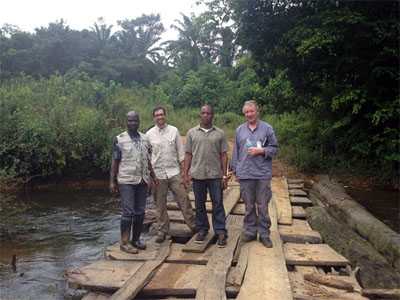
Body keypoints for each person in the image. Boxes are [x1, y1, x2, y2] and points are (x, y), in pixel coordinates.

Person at [230, 100, 278, 248]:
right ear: (244, 114)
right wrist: (235, 170)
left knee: (262, 205)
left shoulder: (267, 129)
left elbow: (275, 148)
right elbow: (236, 152)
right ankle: (250, 232)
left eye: (251, 111)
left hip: (262, 173)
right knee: (249, 206)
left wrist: (262, 150)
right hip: (245, 173)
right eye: (246, 112)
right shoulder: (239, 130)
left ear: (257, 111)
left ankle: (264, 234)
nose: (249, 114)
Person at [110, 111, 158, 254]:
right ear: (126, 122)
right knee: (128, 212)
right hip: (126, 181)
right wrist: (112, 182)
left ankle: (135, 240)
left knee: (140, 212)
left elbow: (147, 160)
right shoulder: (120, 139)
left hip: (142, 180)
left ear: (139, 122)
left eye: (135, 121)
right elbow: (114, 162)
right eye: (130, 121)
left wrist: (153, 177)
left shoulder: (145, 139)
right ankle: (124, 243)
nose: (133, 123)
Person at [146, 106, 196, 243]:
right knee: (160, 204)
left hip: (174, 172)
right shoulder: (149, 135)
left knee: (184, 199)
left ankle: (193, 226)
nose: (159, 117)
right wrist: (150, 177)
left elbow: (181, 154)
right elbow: (147, 157)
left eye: (161, 114)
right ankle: (163, 231)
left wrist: (185, 174)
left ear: (165, 116)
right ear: (154, 117)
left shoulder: (174, 131)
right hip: (158, 175)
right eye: (157, 115)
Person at [183, 104, 229, 248]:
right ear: (200, 115)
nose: (206, 115)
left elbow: (223, 155)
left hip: (215, 175)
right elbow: (188, 154)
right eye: (203, 113)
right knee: (199, 204)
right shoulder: (191, 133)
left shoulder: (220, 133)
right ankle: (202, 229)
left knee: (218, 203)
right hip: (198, 175)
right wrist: (185, 173)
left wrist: (225, 174)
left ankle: (220, 231)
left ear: (212, 115)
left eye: (209, 113)